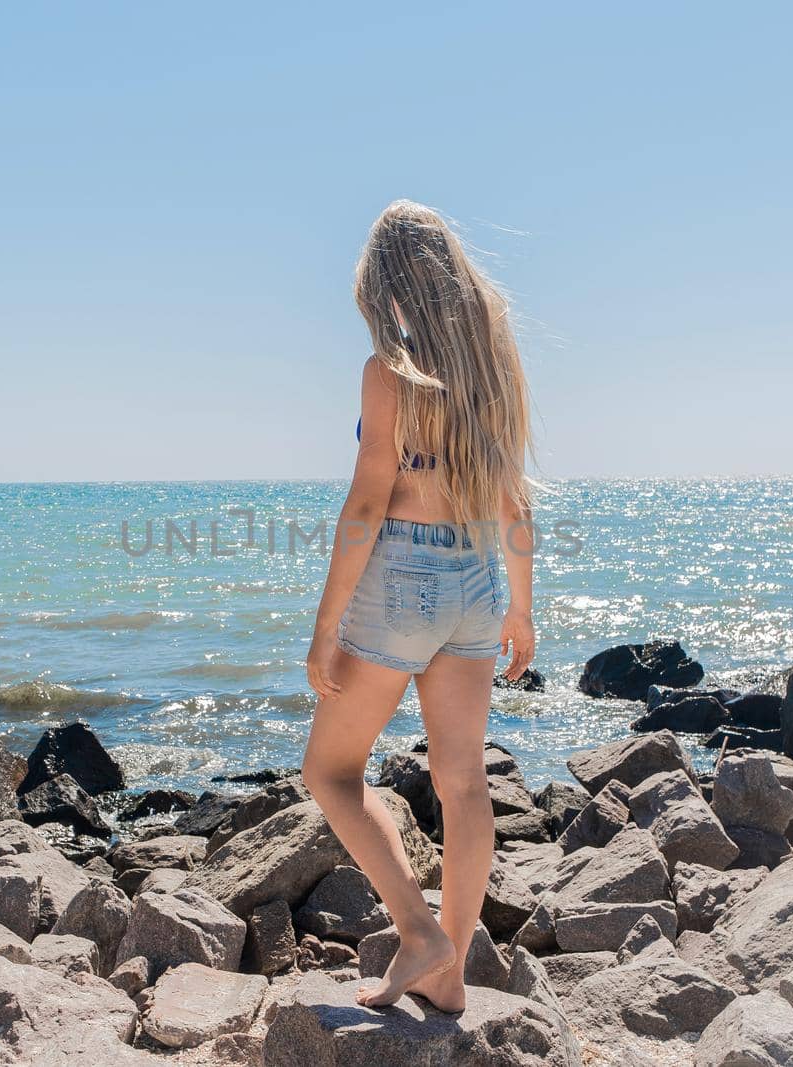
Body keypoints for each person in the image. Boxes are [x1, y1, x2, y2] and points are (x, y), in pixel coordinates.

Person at [301, 200, 536, 1013]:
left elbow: (369, 504)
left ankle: (416, 928)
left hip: (404, 576)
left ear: (386, 286)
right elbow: (512, 497)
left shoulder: (388, 373)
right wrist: (523, 610)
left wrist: (326, 626)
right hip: (478, 580)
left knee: (329, 771)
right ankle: (450, 973)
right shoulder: (493, 364)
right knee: (464, 783)